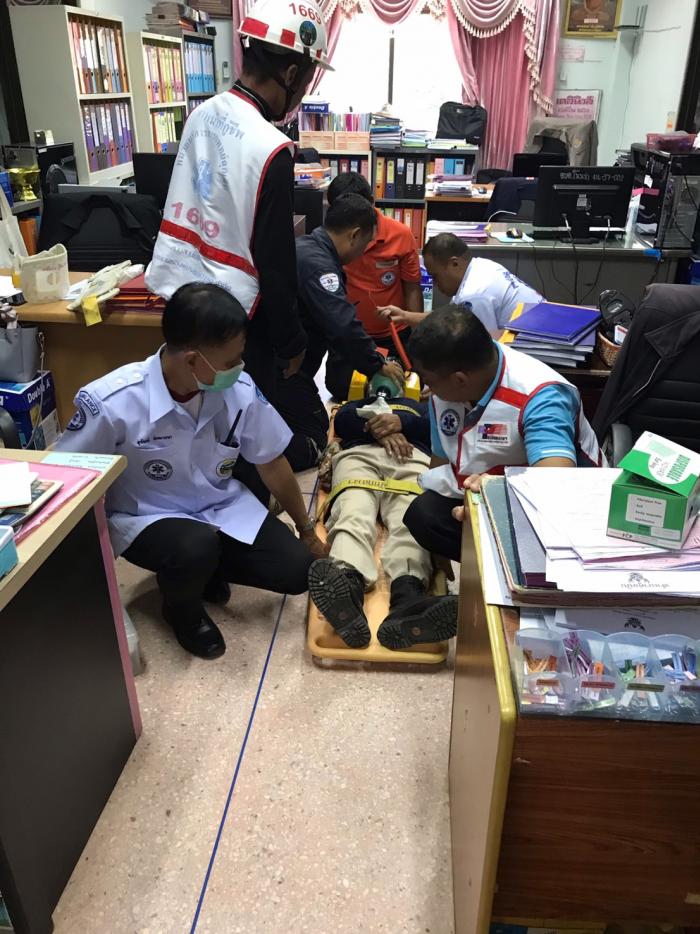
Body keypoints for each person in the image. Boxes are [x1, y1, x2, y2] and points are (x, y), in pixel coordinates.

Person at [54, 284, 327, 661]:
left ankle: (205, 570)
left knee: (296, 570)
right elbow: (67, 476)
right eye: (231, 361)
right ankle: (182, 610)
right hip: (149, 519)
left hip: (221, 508)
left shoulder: (238, 390)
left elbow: (271, 461)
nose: (239, 368)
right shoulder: (113, 402)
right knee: (194, 548)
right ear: (193, 360)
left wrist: (307, 530)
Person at [145, 0, 333, 402]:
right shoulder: (272, 148)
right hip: (239, 323)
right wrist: (292, 341)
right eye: (304, 86)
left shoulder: (201, 115)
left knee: (187, 406)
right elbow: (275, 261)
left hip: (182, 303)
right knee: (239, 419)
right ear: (291, 74)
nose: (299, 97)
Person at [403, 306, 604, 578]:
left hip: (564, 512)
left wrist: (497, 494)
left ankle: (519, 580)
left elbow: (555, 486)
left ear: (459, 379)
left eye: (428, 380)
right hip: (486, 491)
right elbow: (441, 462)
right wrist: (435, 549)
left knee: (526, 546)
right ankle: (493, 570)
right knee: (424, 515)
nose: (427, 389)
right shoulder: (451, 388)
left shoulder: (540, 396)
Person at [307, 387, 457, 650]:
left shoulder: (419, 407)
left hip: (410, 456)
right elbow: (342, 421)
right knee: (353, 510)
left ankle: (407, 597)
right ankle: (346, 586)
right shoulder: (354, 405)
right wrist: (382, 429)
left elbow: (435, 426)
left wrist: (401, 422)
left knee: (410, 518)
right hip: (358, 455)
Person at [274, 193, 405, 469]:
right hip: (281, 371)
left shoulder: (307, 247)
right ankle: (255, 463)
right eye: (365, 244)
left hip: (285, 363)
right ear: (354, 235)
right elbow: (342, 323)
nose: (362, 253)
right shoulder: (319, 265)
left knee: (320, 421)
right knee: (313, 441)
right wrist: (377, 364)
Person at [324, 171, 424, 395]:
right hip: (352, 335)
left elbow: (412, 287)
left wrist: (417, 338)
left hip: (393, 333)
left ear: (371, 203)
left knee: (407, 388)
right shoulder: (330, 239)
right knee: (340, 387)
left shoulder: (400, 234)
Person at [382, 232, 542, 334]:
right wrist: (405, 316)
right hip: (544, 325)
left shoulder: (475, 293)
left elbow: (483, 351)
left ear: (454, 263)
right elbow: (449, 317)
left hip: (538, 347)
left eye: (435, 276)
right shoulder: (481, 266)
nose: (436, 285)